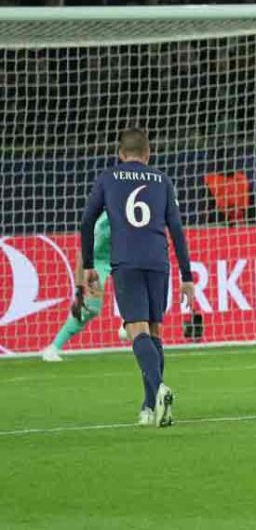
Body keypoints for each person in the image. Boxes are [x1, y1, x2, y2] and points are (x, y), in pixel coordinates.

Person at [80, 128, 196, 428]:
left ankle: (158, 390)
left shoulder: (108, 178)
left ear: (121, 154)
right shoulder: (162, 180)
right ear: (148, 154)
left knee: (136, 330)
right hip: (158, 262)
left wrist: (89, 265)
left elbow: (87, 220)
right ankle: (148, 407)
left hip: (126, 262)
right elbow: (177, 230)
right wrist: (187, 276)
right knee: (154, 332)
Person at [41, 213, 123, 362]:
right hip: (97, 263)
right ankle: (53, 348)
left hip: (123, 260)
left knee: (136, 293)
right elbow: (83, 253)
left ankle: (132, 329)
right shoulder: (103, 222)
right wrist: (79, 288)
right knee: (89, 310)